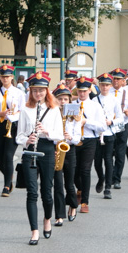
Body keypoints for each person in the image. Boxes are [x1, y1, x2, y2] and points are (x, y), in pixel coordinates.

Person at [16, 72, 63, 245]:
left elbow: (59, 135)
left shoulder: (54, 109)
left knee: (47, 193)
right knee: (32, 192)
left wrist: (46, 131)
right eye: (35, 90)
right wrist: (26, 139)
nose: (38, 94)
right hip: (30, 150)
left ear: (46, 91)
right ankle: (34, 231)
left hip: (47, 148)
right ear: (31, 92)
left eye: (41, 90)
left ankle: (47, 219)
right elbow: (18, 136)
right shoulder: (26, 110)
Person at [71, 77, 106, 213]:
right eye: (80, 91)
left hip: (90, 140)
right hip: (74, 140)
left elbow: (102, 126)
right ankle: (79, 189)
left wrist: (86, 122)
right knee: (73, 170)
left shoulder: (95, 106)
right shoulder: (72, 104)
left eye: (84, 91)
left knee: (85, 170)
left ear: (89, 91)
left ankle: (85, 201)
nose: (82, 94)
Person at [0, 65, 25, 196]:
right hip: (0, 124)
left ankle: (6, 185)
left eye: (8, 77)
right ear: (0, 77)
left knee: (8, 156)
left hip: (13, 125)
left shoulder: (19, 93)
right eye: (3, 77)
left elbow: (22, 111)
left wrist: (12, 116)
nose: (5, 79)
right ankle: (9, 176)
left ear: (12, 77)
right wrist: (0, 113)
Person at [93, 73, 124, 200]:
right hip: (97, 134)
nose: (104, 87)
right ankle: (101, 178)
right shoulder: (94, 100)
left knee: (108, 160)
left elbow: (121, 117)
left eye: (107, 85)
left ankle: (107, 187)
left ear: (110, 86)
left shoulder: (114, 100)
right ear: (99, 86)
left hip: (109, 133)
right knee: (97, 161)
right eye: (102, 85)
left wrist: (111, 122)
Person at [52, 84, 77, 225]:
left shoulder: (74, 116)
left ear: (69, 101)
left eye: (65, 99)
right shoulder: (52, 114)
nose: (63, 102)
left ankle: (73, 205)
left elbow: (79, 137)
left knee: (69, 183)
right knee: (58, 184)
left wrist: (70, 137)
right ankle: (59, 215)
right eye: (60, 99)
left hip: (69, 149)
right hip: (56, 149)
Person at [109, 68, 128, 189]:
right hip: (109, 125)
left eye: (118, 79)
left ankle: (116, 179)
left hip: (121, 125)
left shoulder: (127, 93)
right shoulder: (107, 92)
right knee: (108, 153)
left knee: (120, 153)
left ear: (123, 81)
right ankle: (108, 177)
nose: (116, 81)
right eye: (114, 78)